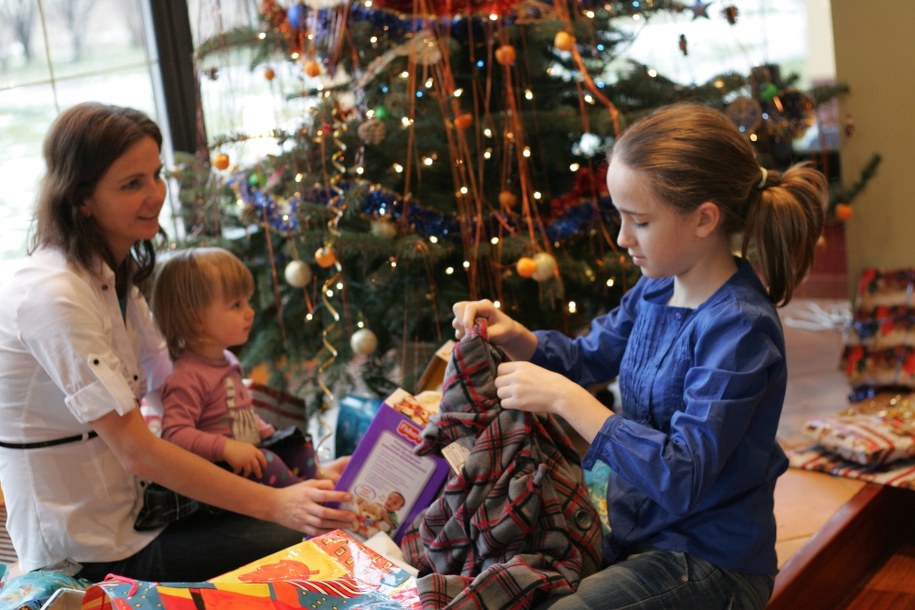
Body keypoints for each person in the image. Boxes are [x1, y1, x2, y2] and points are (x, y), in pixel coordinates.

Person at [453, 102, 827, 609]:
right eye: (620, 217)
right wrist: (517, 334)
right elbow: (588, 356)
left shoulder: (740, 327)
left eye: (640, 221)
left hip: (710, 563)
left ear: (705, 219)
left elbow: (682, 478)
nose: (623, 238)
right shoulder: (656, 290)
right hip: (638, 534)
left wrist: (569, 401)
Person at [0, 102, 356, 583]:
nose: (156, 195)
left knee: (328, 521)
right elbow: (138, 450)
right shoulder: (54, 296)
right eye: (132, 184)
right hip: (88, 550)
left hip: (145, 513)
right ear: (81, 199)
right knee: (310, 551)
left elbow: (171, 400)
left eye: (156, 175)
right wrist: (279, 503)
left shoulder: (113, 276)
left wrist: (298, 477)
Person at [152, 247, 320, 487]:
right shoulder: (187, 376)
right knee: (269, 460)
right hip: (220, 472)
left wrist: (269, 433)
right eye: (236, 305)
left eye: (247, 302)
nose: (250, 312)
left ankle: (317, 483)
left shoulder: (228, 360)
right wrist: (226, 448)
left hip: (250, 454)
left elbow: (241, 414)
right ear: (196, 319)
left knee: (298, 447)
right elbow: (175, 434)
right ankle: (305, 496)